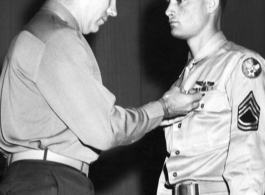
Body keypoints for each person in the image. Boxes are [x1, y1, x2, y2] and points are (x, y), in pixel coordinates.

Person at [0, 0, 202, 194]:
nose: (113, 10)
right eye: (111, 0)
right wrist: (164, 108)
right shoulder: (57, 37)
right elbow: (106, 129)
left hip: (31, 179)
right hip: (52, 182)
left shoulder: (35, 34)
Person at [157, 0, 265, 194]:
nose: (168, 10)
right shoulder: (183, 78)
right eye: (169, 2)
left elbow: (249, 159)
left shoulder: (241, 65)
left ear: (211, 3)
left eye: (180, 1)